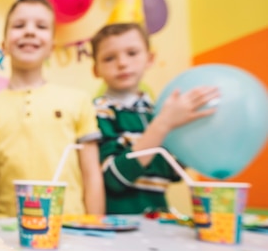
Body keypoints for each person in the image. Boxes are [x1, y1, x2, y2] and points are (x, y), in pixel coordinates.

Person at [0, 0, 105, 218]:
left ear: (52, 47)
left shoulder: (78, 100)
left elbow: (92, 175)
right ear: (4, 46)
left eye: (41, 26)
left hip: (70, 225)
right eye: (19, 26)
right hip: (7, 227)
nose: (29, 31)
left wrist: (94, 224)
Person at [91, 22, 219, 214]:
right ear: (96, 70)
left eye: (132, 53)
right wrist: (163, 125)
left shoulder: (158, 111)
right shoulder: (99, 111)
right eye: (109, 58)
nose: (122, 63)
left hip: (160, 219)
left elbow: (173, 173)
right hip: (118, 223)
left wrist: (196, 135)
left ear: (149, 59)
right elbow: (114, 179)